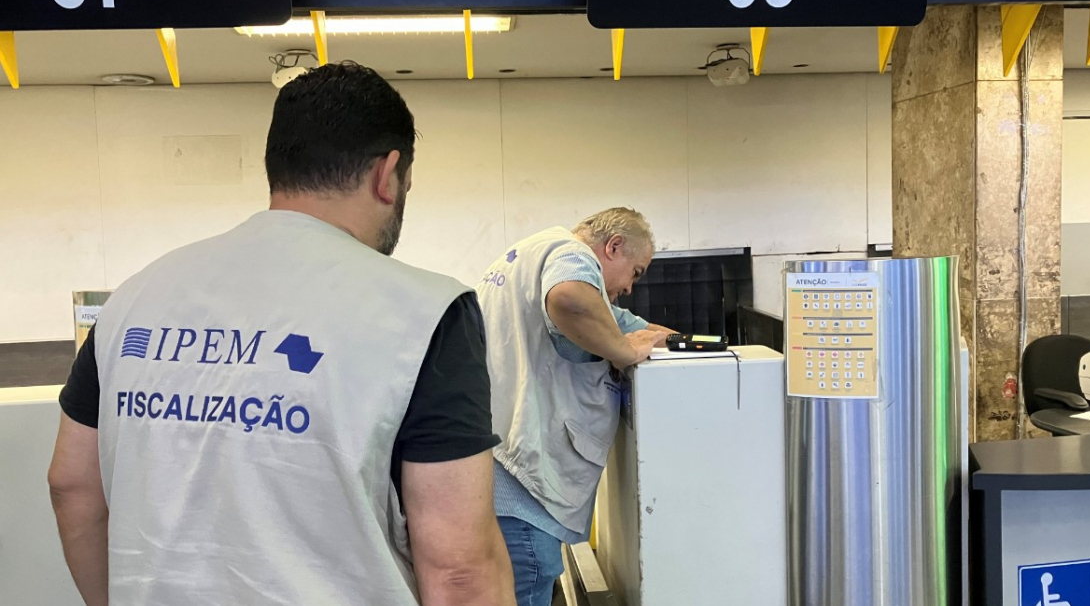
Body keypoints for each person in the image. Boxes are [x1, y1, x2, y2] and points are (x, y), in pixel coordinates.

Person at [47, 63, 515, 606]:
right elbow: (459, 569)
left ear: (279, 167)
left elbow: (71, 485)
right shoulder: (425, 314)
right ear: (388, 175)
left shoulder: (133, 299)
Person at [475, 208, 674, 606]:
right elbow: (570, 298)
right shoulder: (573, 254)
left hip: (496, 466)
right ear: (613, 246)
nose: (632, 287)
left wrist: (682, 341)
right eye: (635, 272)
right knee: (528, 584)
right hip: (523, 483)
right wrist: (623, 353)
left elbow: (619, 320)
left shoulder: (531, 253)